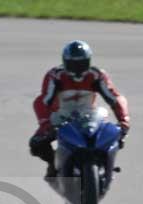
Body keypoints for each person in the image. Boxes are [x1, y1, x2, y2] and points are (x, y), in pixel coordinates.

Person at [29, 40, 130, 180]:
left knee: (116, 136)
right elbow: (43, 101)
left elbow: (114, 97)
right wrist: (46, 123)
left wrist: (123, 120)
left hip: (90, 116)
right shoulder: (55, 76)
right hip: (61, 116)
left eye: (81, 63)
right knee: (36, 143)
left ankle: (106, 165)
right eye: (73, 64)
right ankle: (52, 163)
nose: (77, 68)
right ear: (65, 62)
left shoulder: (97, 75)